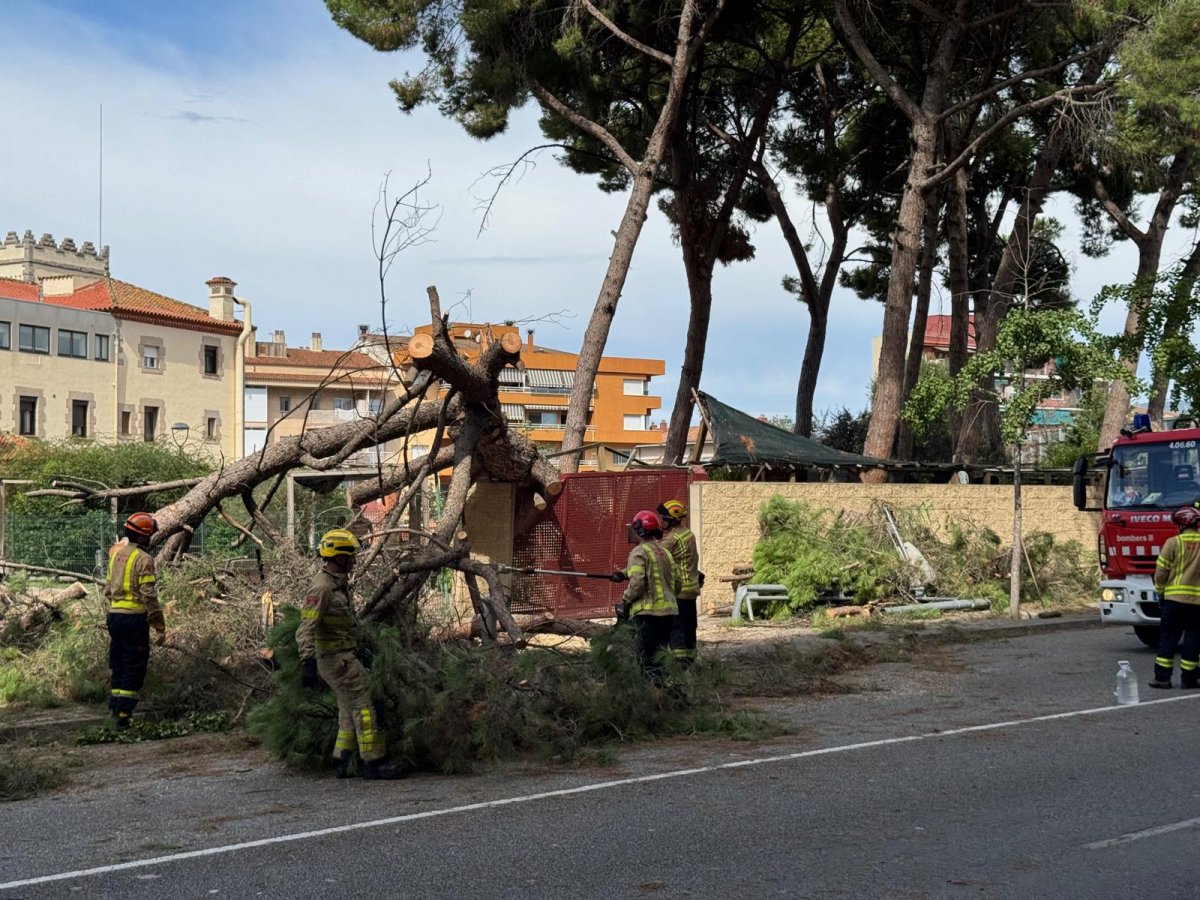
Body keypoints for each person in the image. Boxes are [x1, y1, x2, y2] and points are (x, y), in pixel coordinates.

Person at [296, 528, 402, 779]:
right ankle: (373, 761)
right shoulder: (322, 589)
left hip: (343, 656)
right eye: (350, 556)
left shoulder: (337, 585)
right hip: (335, 660)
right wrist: (307, 661)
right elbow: (305, 628)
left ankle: (342, 759)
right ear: (338, 557)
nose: (353, 560)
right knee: (365, 706)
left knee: (347, 707)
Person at [104, 512, 167, 730]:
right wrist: (159, 625)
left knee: (119, 662)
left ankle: (115, 708)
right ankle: (124, 715)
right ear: (143, 537)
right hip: (134, 620)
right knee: (134, 664)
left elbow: (107, 588)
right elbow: (149, 595)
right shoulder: (144, 559)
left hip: (114, 617)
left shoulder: (116, 555)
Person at [612, 510, 677, 683]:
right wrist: (622, 573)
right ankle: (667, 691)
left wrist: (625, 601)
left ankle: (652, 695)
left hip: (648, 615)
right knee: (660, 658)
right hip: (669, 614)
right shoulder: (664, 553)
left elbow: (638, 583)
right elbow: (665, 576)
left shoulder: (638, 552)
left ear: (640, 530)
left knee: (646, 660)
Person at [1149, 506, 1200, 689]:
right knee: (1193, 640)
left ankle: (1162, 679)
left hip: (1174, 601)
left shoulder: (1173, 543)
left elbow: (1161, 572)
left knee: (1168, 639)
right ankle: (1190, 679)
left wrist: (1160, 593)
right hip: (1197, 603)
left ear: (1181, 524)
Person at [657, 499, 702, 668]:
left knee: (677, 631)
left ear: (673, 520)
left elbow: (655, 553)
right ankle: (690, 664)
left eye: (663, 519)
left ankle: (678, 667)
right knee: (689, 630)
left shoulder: (673, 538)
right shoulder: (688, 534)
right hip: (691, 590)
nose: (660, 522)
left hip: (679, 592)